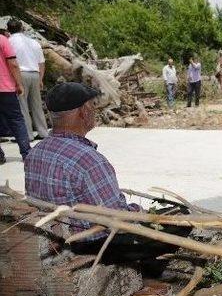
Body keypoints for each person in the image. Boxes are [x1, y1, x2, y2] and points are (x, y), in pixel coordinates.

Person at [24, 82, 190, 274]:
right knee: (181, 220)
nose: (94, 111)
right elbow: (116, 219)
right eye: (92, 106)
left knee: (162, 217)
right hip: (90, 243)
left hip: (55, 236)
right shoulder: (88, 160)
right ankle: (145, 268)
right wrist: (142, 213)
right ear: (84, 112)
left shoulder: (35, 152)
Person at [7, 18, 48, 141]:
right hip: (35, 73)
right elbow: (41, 63)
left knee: (22, 105)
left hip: (20, 74)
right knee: (37, 105)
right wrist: (40, 78)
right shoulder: (33, 42)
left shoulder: (9, 42)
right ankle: (43, 132)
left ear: (8, 30)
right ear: (22, 28)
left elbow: (11, 62)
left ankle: (27, 135)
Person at [0, 34, 31, 164]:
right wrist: (19, 83)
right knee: (16, 120)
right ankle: (26, 153)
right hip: (4, 87)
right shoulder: (2, 39)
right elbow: (13, 63)